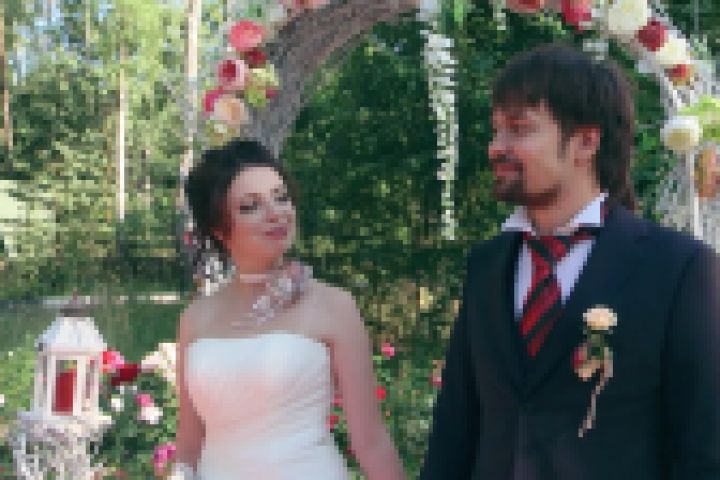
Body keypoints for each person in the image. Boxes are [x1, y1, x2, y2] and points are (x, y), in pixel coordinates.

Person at [420, 43, 720, 479]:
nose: (496, 147)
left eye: (519, 129)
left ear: (586, 141)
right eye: (496, 130)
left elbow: (705, 449)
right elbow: (454, 430)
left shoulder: (679, 268)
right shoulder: (486, 266)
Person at [173, 139, 406, 480]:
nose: (276, 213)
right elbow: (189, 445)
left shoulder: (334, 306)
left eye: (281, 197)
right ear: (219, 229)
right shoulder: (196, 318)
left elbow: (370, 441)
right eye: (251, 206)